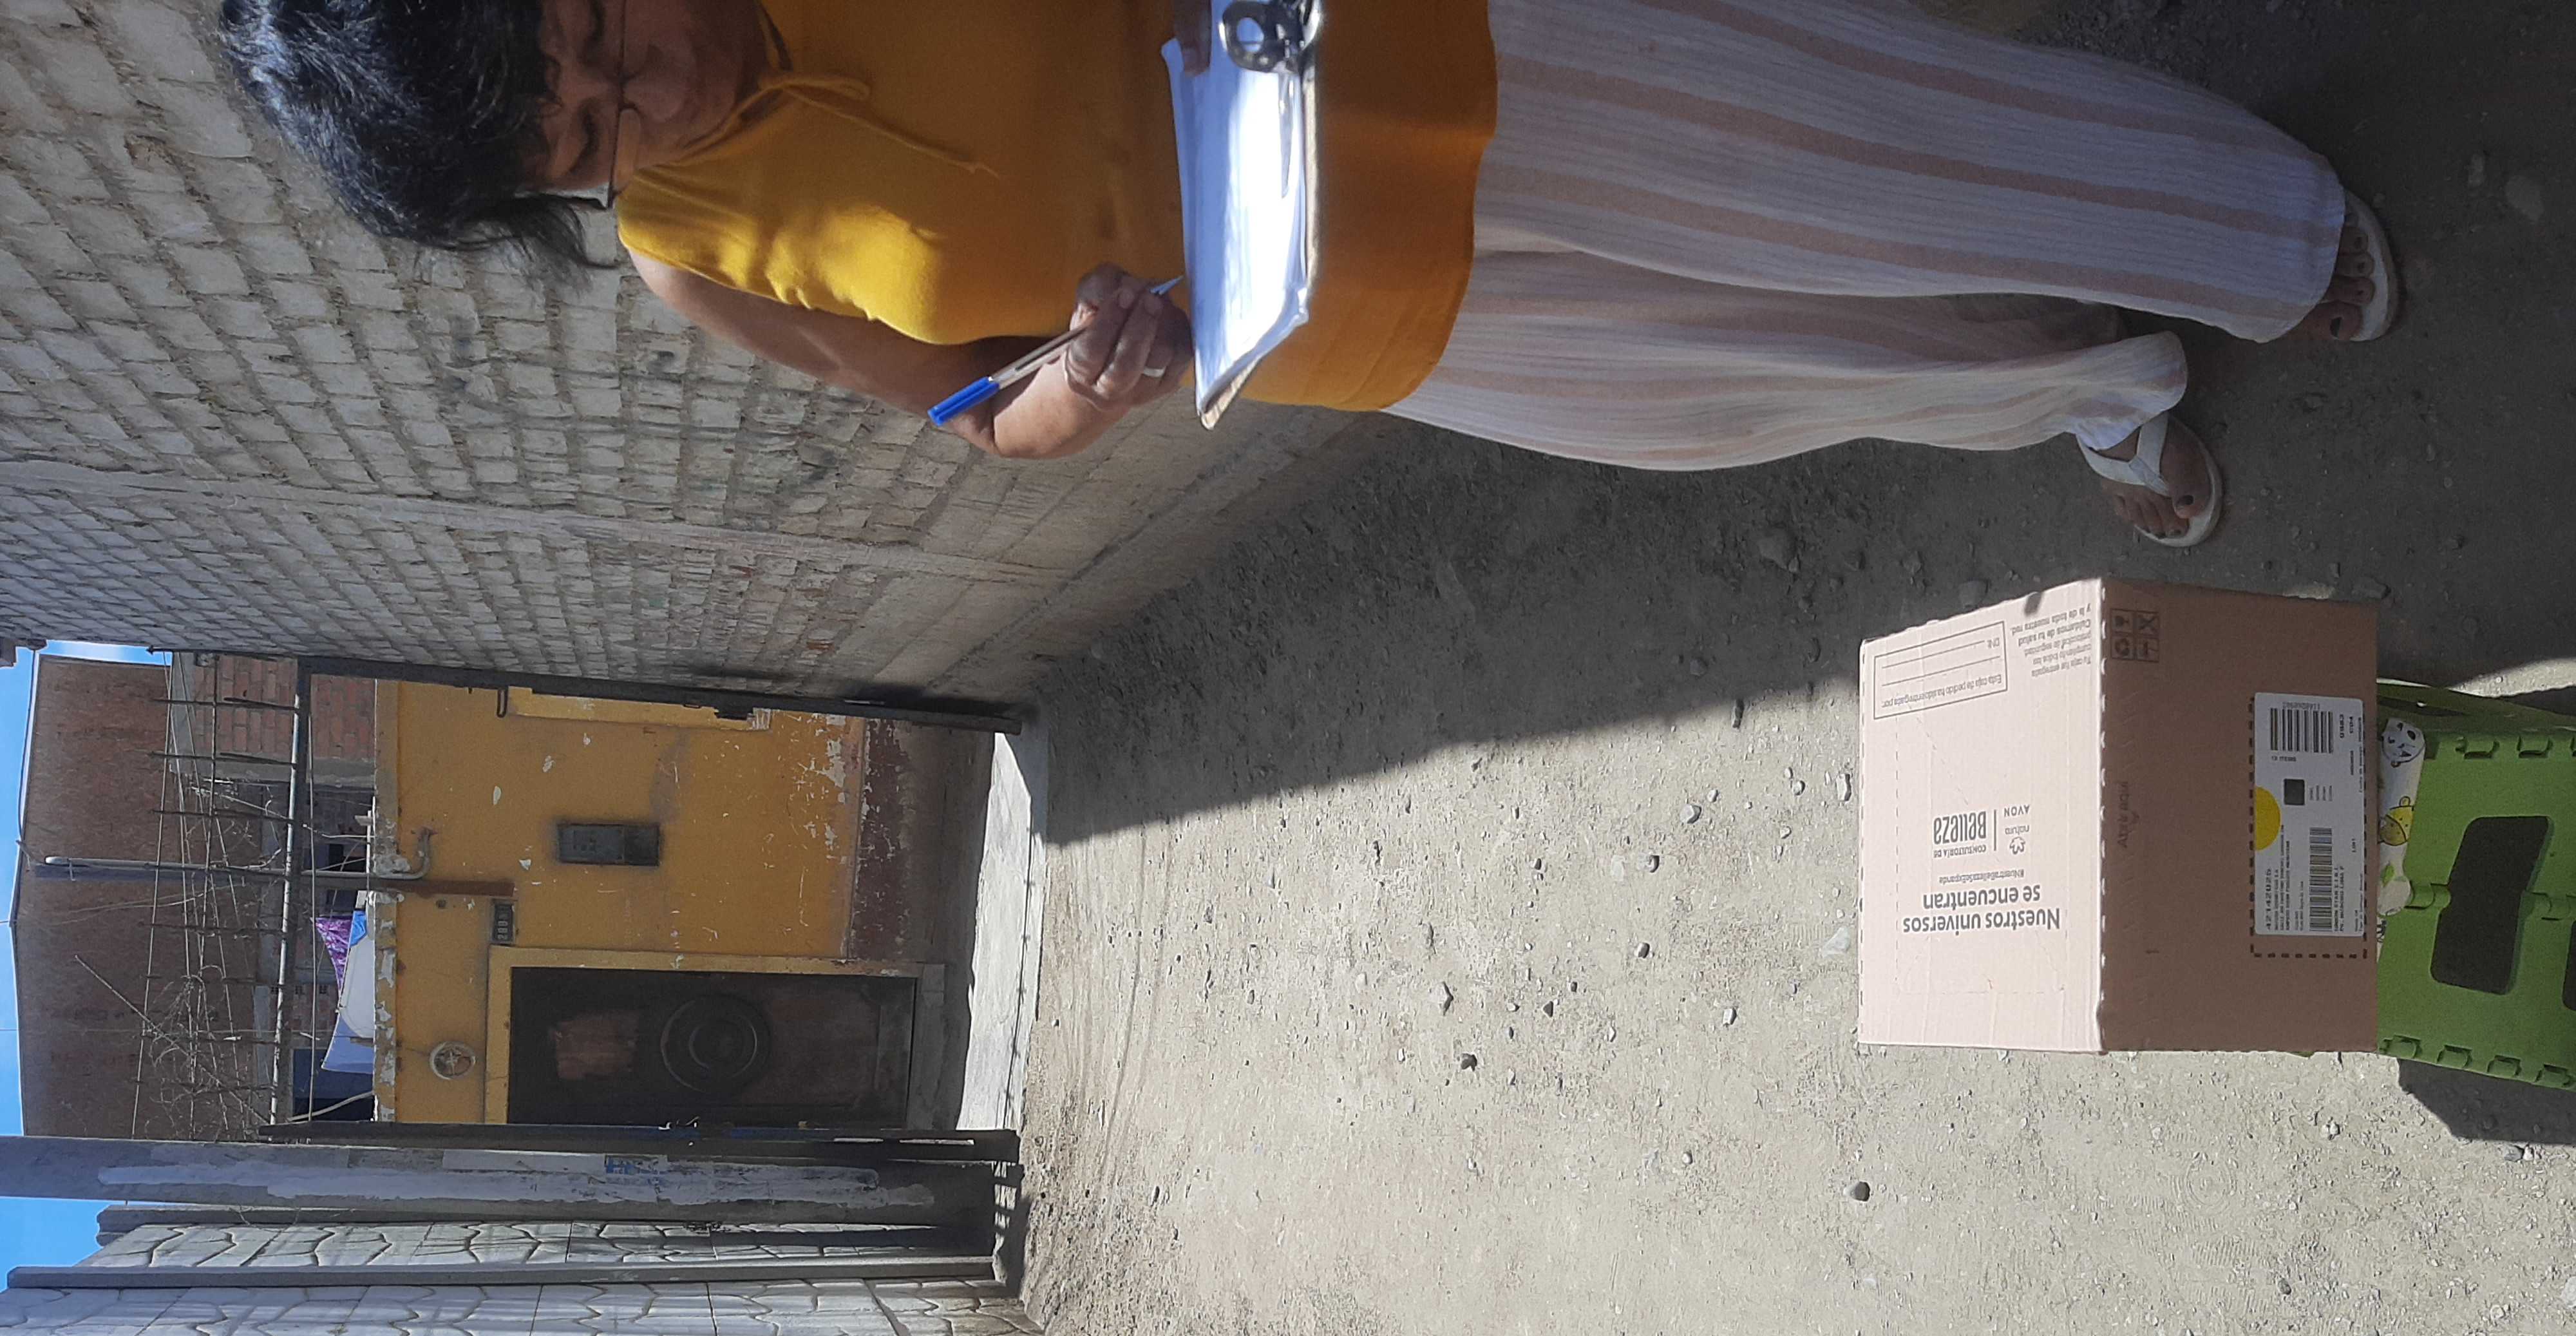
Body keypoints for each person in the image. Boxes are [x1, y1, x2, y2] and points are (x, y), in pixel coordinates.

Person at [223, 0, 2394, 549]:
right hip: (1345, 314)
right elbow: (977, 417)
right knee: (1747, 377)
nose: (648, 94)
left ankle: (2263, 239)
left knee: (1848, 155)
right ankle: (2097, 379)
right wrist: (1092, 378)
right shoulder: (693, 256)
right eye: (587, 132)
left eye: (596, 34)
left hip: (1441, 53)